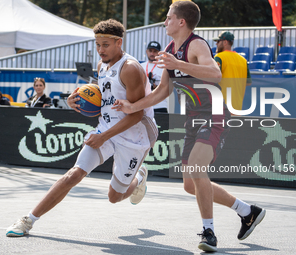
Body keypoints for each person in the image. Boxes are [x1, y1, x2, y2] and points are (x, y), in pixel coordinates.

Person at [113, 1, 265, 252]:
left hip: (214, 113)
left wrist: (179, 65)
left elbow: (215, 73)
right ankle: (247, 211)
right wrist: (132, 107)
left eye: (168, 17)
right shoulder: (171, 48)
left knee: (196, 168)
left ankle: (209, 232)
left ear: (181, 22)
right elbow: (163, 90)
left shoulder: (197, 44)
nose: (165, 21)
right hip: (193, 118)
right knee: (189, 184)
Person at [6, 19, 157, 238]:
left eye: (105, 45)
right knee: (73, 175)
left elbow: (136, 115)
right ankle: (28, 220)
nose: (100, 50)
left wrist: (103, 136)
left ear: (119, 43)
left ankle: (139, 178)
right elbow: (104, 101)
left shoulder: (130, 69)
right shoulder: (101, 66)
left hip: (135, 135)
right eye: (97, 44)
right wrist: (76, 102)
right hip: (106, 128)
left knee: (115, 197)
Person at [213, 31, 252, 111]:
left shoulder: (219, 57)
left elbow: (213, 78)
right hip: (237, 107)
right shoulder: (243, 60)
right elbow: (248, 82)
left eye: (218, 41)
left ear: (225, 42)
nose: (216, 44)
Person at [140, 41, 168, 113]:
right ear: (146, 51)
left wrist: (157, 86)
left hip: (160, 105)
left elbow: (167, 86)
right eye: (150, 51)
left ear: (159, 53)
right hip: (143, 105)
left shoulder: (164, 65)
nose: (152, 53)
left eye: (155, 51)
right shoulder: (140, 66)